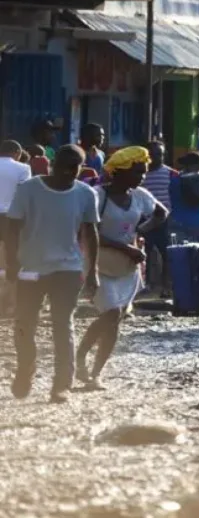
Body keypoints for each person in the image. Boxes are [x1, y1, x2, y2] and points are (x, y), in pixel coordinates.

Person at [5, 144, 100, 403]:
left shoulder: (85, 193)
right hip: (30, 268)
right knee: (25, 324)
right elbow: (12, 226)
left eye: (74, 168)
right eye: (63, 166)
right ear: (52, 163)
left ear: (80, 169)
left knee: (63, 324)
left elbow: (90, 233)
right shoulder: (29, 189)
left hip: (67, 269)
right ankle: (26, 369)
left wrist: (92, 272)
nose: (67, 172)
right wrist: (11, 261)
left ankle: (61, 385)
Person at [76, 147, 167, 390]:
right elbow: (87, 232)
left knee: (114, 321)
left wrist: (140, 232)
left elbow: (161, 213)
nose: (142, 177)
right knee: (111, 313)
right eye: (138, 172)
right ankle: (80, 356)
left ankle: (96, 373)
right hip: (99, 263)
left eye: (144, 173)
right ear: (119, 172)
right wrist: (126, 247)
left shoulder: (140, 196)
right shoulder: (97, 195)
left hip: (128, 268)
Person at [141, 141, 176, 297]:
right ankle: (146, 284)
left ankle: (166, 286)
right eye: (152, 154)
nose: (156, 157)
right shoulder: (140, 174)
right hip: (144, 220)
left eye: (159, 154)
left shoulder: (171, 174)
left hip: (165, 220)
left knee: (167, 253)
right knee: (144, 253)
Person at [0, 141, 31, 263]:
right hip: (11, 215)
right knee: (13, 249)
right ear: (17, 153)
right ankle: (11, 277)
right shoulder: (23, 168)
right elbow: (24, 192)